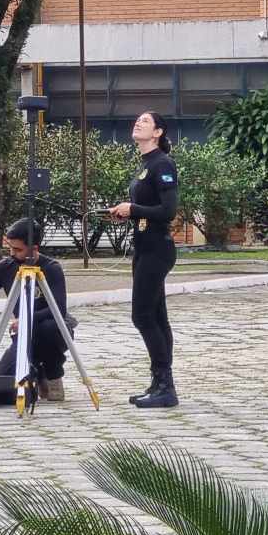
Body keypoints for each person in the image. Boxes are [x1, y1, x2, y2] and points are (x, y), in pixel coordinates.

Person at [109, 111, 179, 409]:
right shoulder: (145, 164)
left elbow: (168, 211)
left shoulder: (162, 164)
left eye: (146, 122)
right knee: (157, 317)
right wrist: (126, 212)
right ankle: (160, 382)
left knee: (143, 316)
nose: (138, 123)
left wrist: (132, 209)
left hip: (157, 249)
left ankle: (165, 385)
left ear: (158, 132)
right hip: (143, 246)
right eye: (136, 120)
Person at [0, 218, 75, 402]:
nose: (12, 254)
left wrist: (26, 319)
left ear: (34, 248)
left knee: (48, 328)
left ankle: (52, 375)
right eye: (10, 248)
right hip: (23, 334)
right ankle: (34, 375)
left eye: (18, 250)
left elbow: (59, 310)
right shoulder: (5, 267)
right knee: (2, 379)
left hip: (53, 330)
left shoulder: (51, 268)